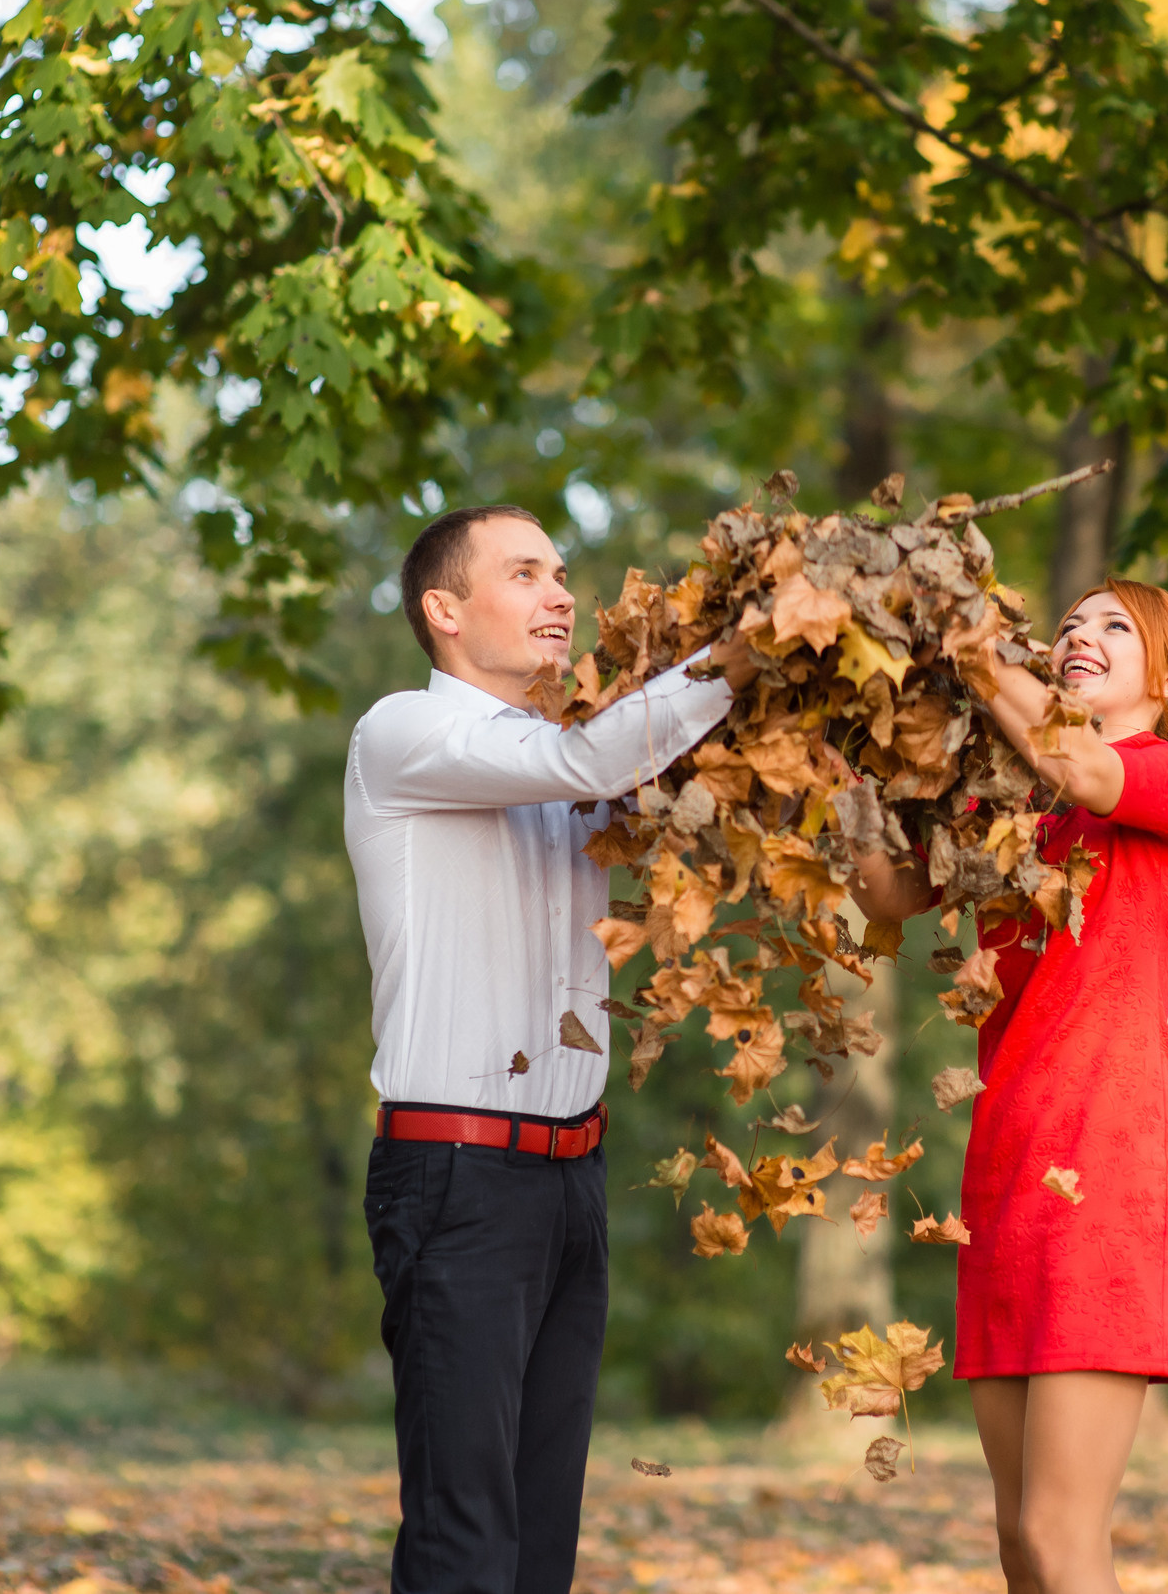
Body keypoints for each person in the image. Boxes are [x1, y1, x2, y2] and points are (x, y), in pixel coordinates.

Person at [344, 504, 757, 1594]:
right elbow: (587, 754)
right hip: (457, 1180)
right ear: (443, 609)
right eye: (524, 573)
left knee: (539, 1548)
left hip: (573, 1177)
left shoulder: (572, 764)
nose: (562, 594)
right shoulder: (403, 731)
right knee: (464, 1537)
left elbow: (645, 770)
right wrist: (758, 638)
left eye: (561, 572)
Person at [851, 577, 1168, 1594]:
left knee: (1062, 1534)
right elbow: (887, 888)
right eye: (1068, 623)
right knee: (1019, 1541)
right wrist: (839, 758)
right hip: (1007, 1157)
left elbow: (1084, 766)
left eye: (1114, 626)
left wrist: (972, 654)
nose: (1079, 634)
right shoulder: (1006, 800)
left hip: (1107, 1155)